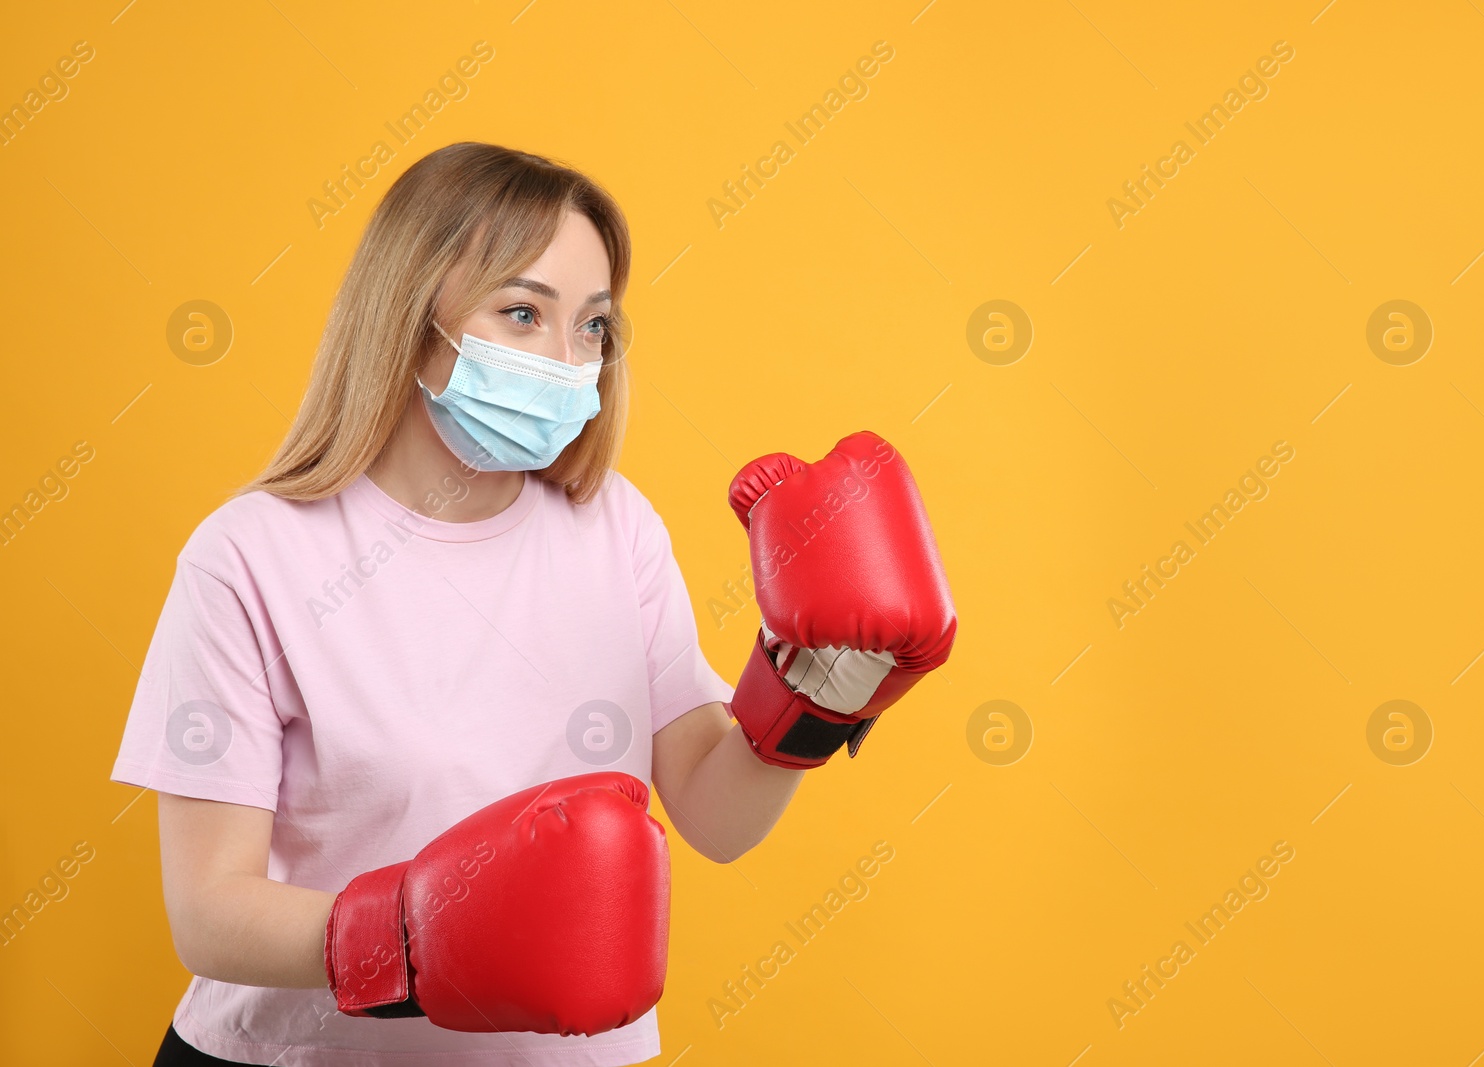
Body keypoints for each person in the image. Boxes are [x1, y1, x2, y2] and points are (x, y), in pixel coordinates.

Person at [111, 142, 955, 1067]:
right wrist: (420, 936)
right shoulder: (251, 555)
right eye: (522, 313)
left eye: (591, 326)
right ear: (410, 317)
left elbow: (715, 817)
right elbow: (207, 913)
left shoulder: (614, 528)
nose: (566, 361)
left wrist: (817, 699)